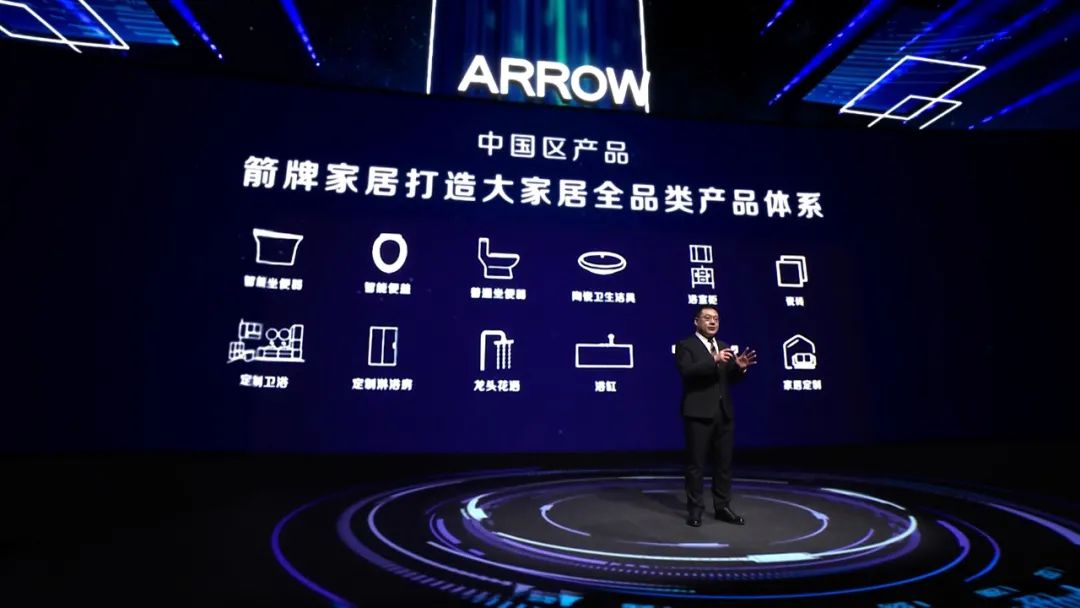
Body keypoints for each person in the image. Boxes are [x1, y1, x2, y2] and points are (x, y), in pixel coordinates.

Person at [674, 305, 757, 527]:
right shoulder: (685, 345)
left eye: (716, 319)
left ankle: (722, 507)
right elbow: (687, 372)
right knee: (696, 465)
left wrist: (739, 368)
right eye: (707, 318)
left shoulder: (724, 346)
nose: (712, 322)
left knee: (723, 464)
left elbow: (727, 380)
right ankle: (695, 510)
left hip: (724, 412)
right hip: (698, 412)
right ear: (696, 321)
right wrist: (713, 359)